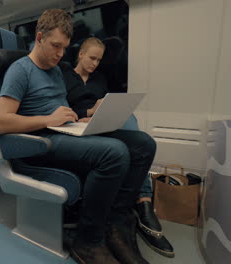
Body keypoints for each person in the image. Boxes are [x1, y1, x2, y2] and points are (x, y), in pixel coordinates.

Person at [0, 9, 155, 264]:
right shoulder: (20, 70)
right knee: (114, 153)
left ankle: (114, 222)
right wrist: (48, 120)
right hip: (40, 143)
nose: (60, 54)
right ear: (39, 38)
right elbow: (0, 122)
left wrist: (81, 118)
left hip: (66, 132)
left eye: (64, 48)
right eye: (55, 46)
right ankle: (88, 240)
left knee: (144, 144)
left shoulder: (56, 70)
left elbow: (60, 109)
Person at [62, 37, 174, 258]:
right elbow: (62, 108)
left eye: (99, 60)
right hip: (76, 125)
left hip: (100, 124)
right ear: (81, 54)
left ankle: (126, 212)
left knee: (139, 134)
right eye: (92, 58)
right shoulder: (64, 77)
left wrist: (106, 113)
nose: (95, 63)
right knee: (125, 145)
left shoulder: (100, 79)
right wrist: (87, 113)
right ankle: (142, 202)